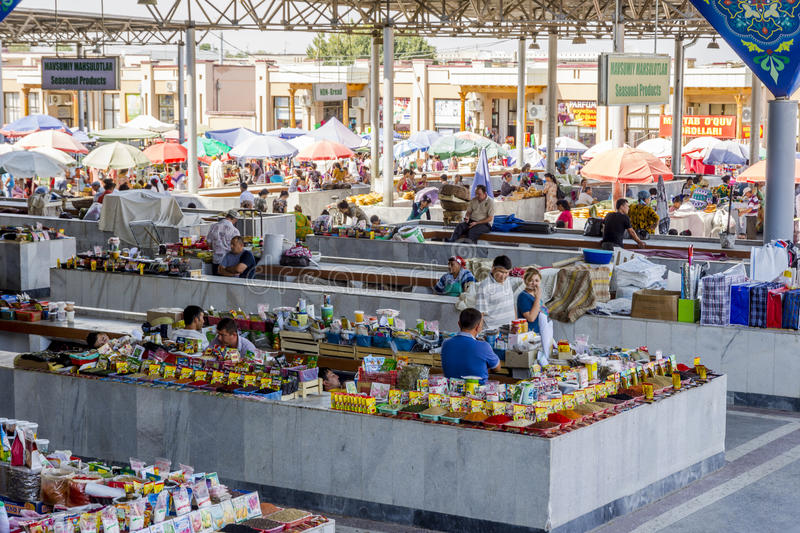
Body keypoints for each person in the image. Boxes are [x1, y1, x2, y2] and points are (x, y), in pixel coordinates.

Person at [440, 308, 501, 384]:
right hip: (477, 393)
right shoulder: (483, 346)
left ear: (459, 324)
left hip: (451, 391)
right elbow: (497, 368)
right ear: (478, 327)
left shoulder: (446, 343)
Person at [474, 255, 516, 329]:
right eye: (501, 272)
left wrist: (516, 324)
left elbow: (511, 305)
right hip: (493, 333)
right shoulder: (484, 287)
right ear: (493, 268)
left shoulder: (508, 281)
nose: (504, 276)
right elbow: (480, 314)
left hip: (510, 330)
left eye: (506, 272)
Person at [207, 209, 240, 275]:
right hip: (228, 262)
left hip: (216, 260)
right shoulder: (235, 231)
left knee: (216, 282)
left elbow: (209, 244)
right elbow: (236, 249)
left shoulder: (213, 226)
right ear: (235, 219)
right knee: (226, 282)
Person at [517, 268, 547, 334]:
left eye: (537, 280)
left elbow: (545, 312)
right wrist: (538, 297)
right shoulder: (523, 296)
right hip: (529, 335)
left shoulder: (535, 295)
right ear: (525, 281)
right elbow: (531, 318)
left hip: (540, 333)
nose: (534, 283)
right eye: (531, 280)